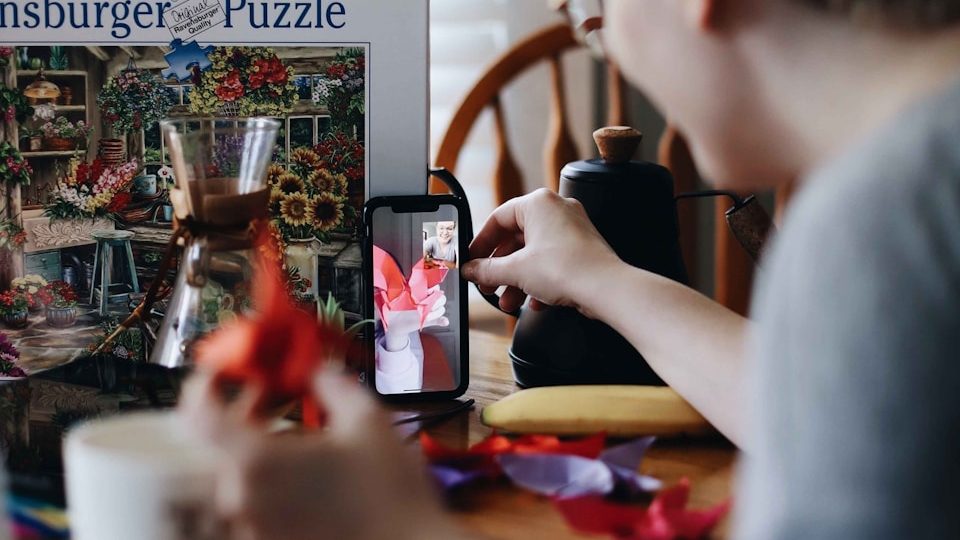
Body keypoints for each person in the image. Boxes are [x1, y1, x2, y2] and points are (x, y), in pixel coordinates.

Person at [186, 0, 960, 538]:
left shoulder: (884, 225)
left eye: (598, 23)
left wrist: (397, 530)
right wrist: (602, 280)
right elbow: (833, 407)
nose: (603, 48)